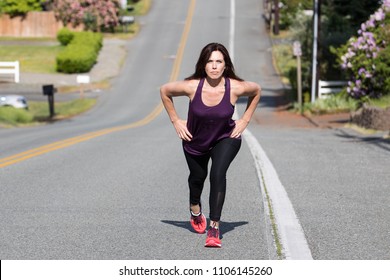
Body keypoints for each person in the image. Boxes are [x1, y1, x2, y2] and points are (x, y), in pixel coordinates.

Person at [160, 42, 261, 248]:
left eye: (219, 62)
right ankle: (195, 209)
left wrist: (244, 120)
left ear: (225, 65)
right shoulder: (192, 86)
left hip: (226, 136)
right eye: (210, 62)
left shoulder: (235, 87)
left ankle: (214, 227)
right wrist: (176, 121)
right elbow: (164, 91)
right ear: (203, 65)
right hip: (195, 139)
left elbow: (257, 90)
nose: (214, 66)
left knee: (217, 174)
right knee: (197, 178)